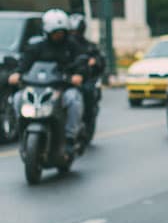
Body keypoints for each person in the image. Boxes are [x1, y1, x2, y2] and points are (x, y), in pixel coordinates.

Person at [8, 9, 84, 156]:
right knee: (18, 98)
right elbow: (25, 63)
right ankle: (22, 130)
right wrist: (17, 73)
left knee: (74, 99)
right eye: (55, 32)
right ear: (47, 32)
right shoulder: (37, 47)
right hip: (37, 88)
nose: (59, 35)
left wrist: (79, 74)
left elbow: (81, 62)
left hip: (62, 88)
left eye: (62, 32)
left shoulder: (72, 46)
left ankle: (69, 137)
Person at [69, 13, 106, 124]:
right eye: (71, 32)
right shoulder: (63, 46)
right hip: (65, 77)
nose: (73, 35)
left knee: (88, 91)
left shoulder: (89, 46)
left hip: (85, 78)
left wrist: (94, 62)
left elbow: (100, 60)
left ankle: (87, 119)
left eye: (76, 32)